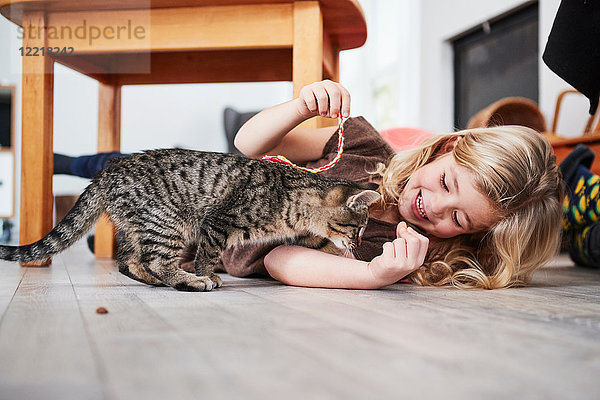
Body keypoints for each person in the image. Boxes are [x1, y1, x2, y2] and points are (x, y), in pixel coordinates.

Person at [54, 80, 564, 289]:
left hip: (191, 243)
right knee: (118, 166)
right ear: (442, 149)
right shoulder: (364, 149)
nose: (434, 206)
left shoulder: (397, 252)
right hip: (205, 188)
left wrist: (373, 277)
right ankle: (60, 162)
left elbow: (278, 259)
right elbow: (248, 144)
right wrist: (301, 107)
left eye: (460, 218)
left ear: (473, 235)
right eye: (446, 182)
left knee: (124, 206)